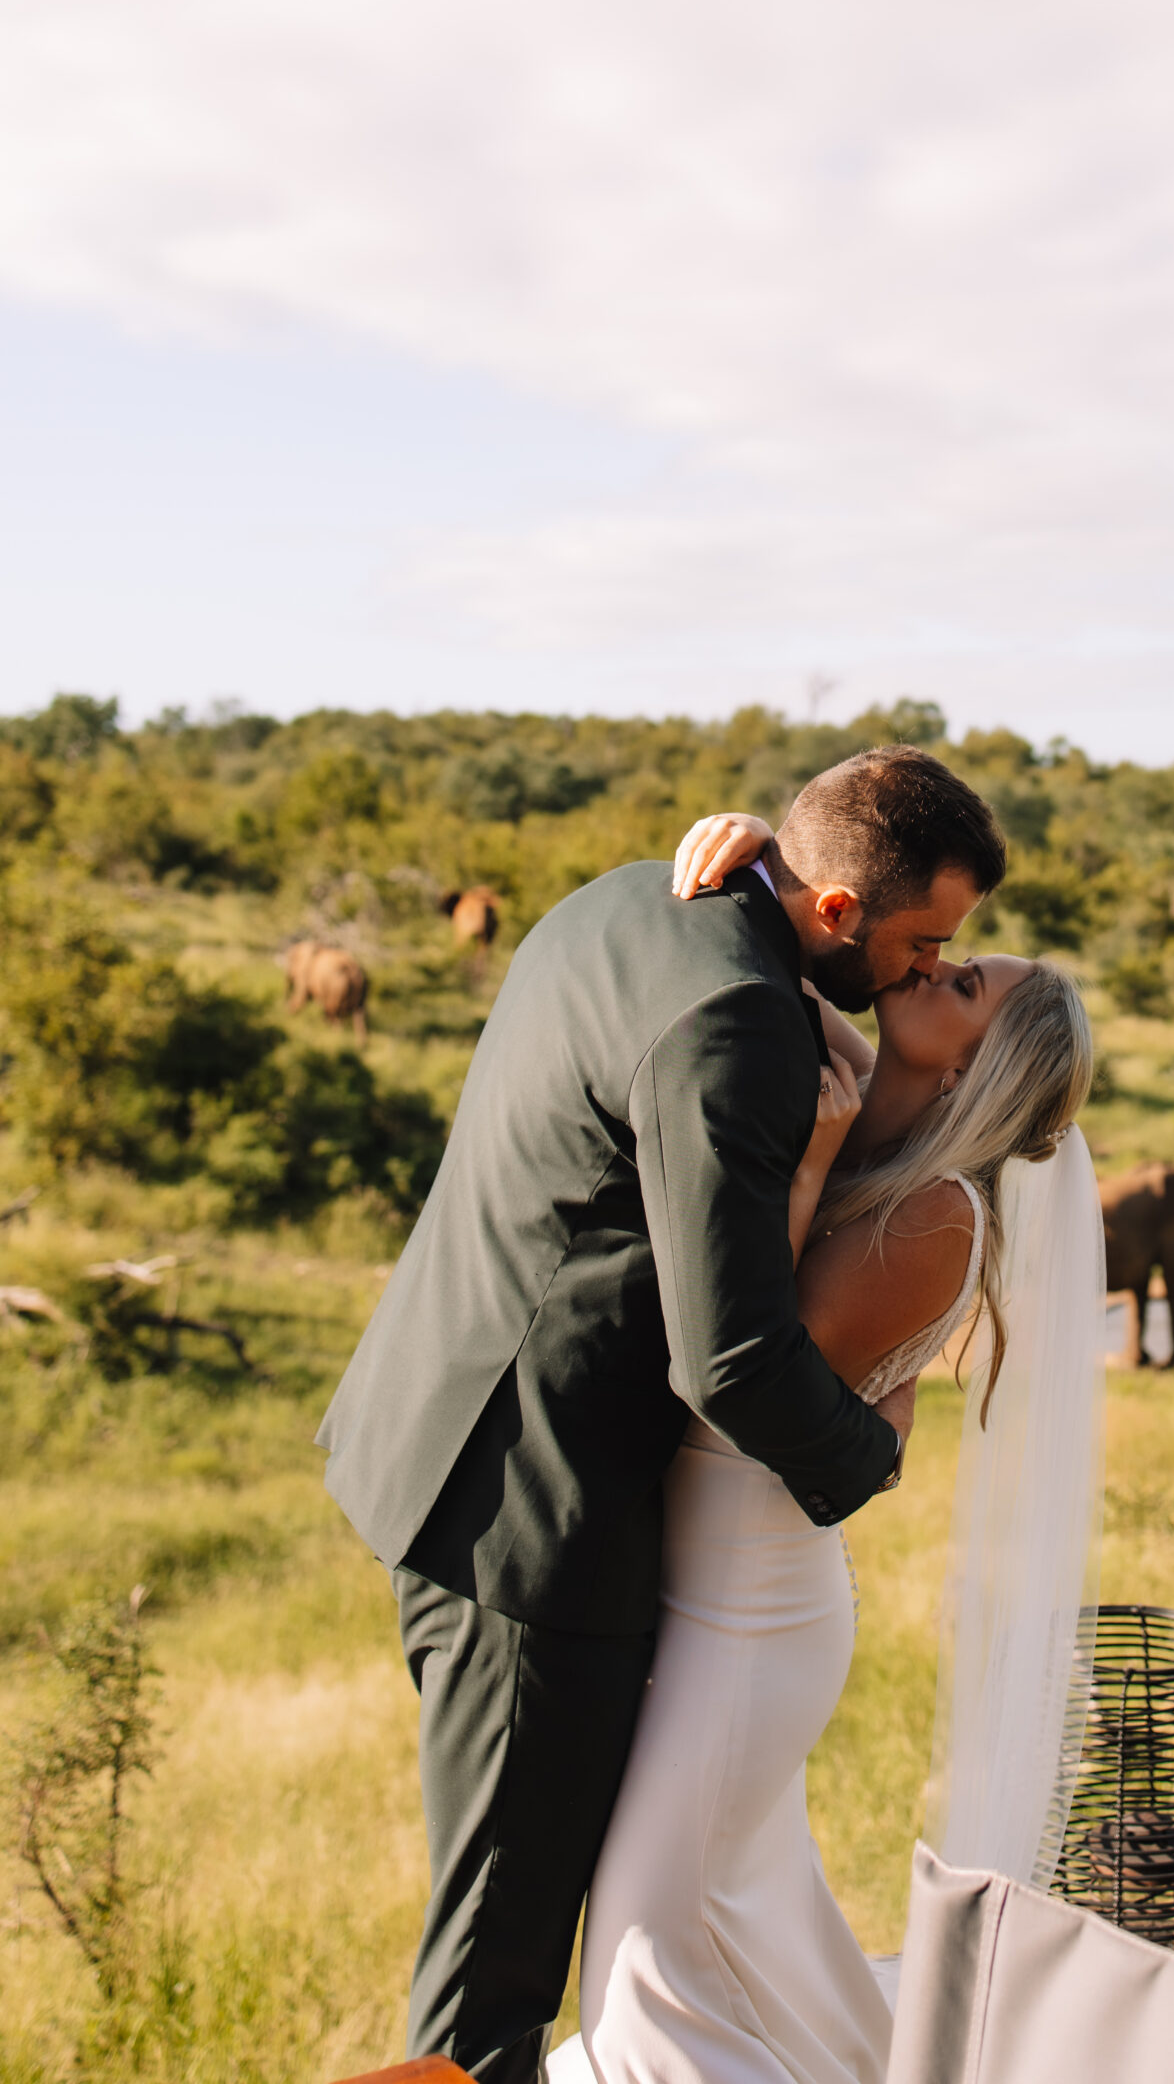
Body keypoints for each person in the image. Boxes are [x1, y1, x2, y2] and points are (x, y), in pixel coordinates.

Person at [316, 747, 1007, 2084]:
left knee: (512, 1929)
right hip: (533, 1507)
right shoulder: (740, 1019)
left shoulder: (635, 892)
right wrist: (871, 1453)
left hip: (442, 1438)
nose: (927, 970)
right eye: (921, 942)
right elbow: (732, 1360)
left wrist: (752, 850)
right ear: (835, 911)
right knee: (492, 1974)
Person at [551, 807, 1103, 2084]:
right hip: (711, 1582)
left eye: (963, 981)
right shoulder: (867, 1095)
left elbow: (738, 1374)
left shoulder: (934, 1217)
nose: (929, 969)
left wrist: (801, 1172)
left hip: (752, 1609)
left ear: (980, 1066)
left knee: (645, 1938)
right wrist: (756, 845)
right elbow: (824, 931)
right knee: (737, 1923)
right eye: (943, 956)